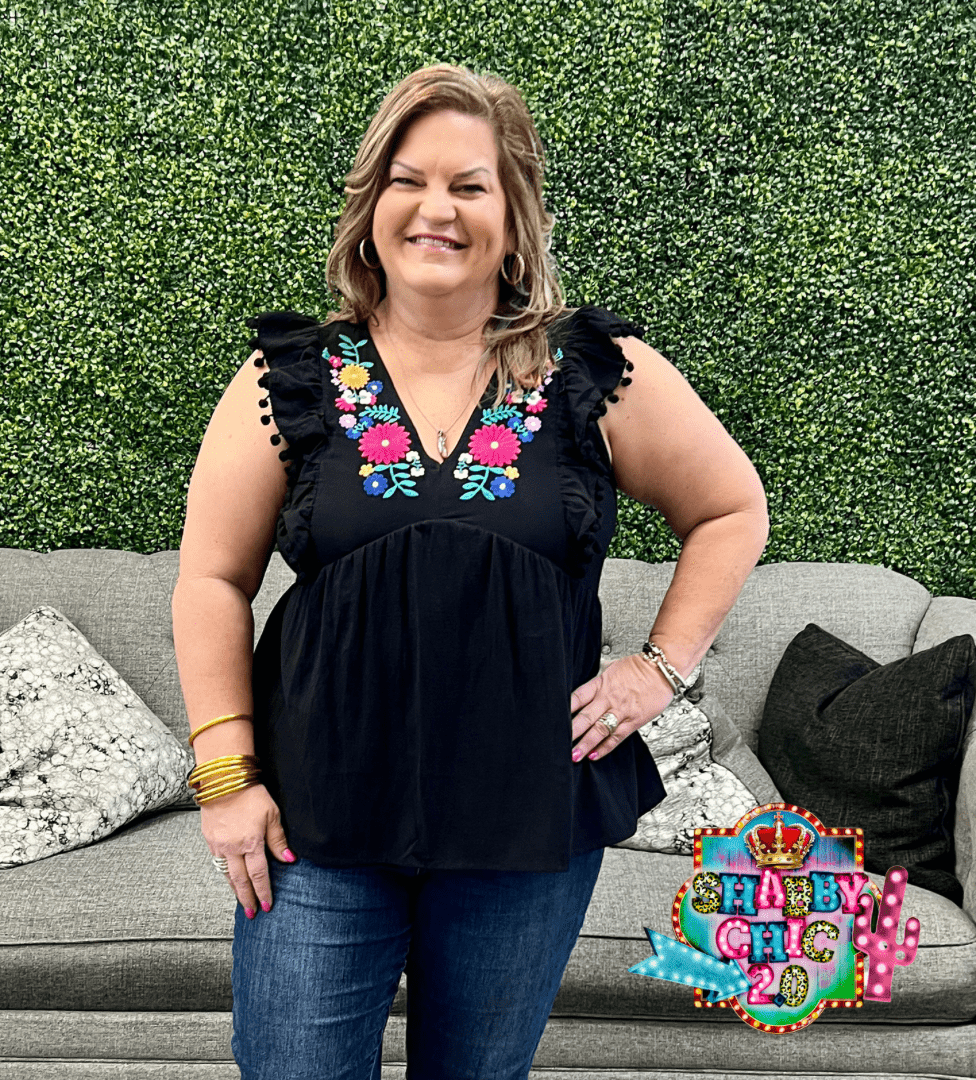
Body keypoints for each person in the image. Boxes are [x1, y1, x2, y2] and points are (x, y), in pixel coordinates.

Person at [172, 64, 769, 1080]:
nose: (435, 209)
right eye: (407, 181)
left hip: (526, 816)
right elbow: (211, 582)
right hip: (315, 819)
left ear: (514, 215)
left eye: (469, 185)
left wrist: (659, 669)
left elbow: (731, 509)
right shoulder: (291, 378)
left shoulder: (594, 372)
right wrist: (227, 778)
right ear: (371, 211)